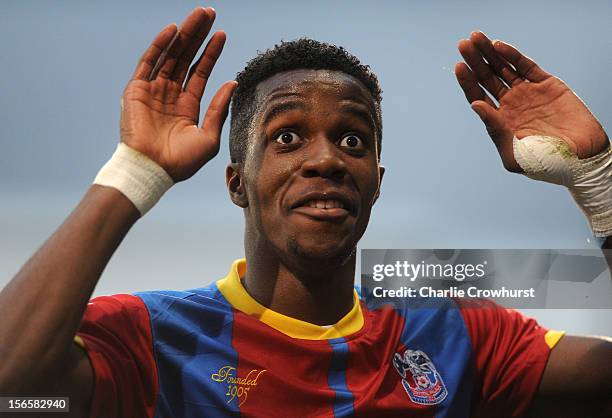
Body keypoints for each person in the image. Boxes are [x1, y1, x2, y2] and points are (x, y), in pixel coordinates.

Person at [0, 6, 610, 418]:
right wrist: (135, 171)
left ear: (376, 183)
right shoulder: (153, 338)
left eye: (353, 140)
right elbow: (13, 394)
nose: (327, 160)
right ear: (237, 183)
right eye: (287, 137)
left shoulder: (459, 341)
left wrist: (598, 181)